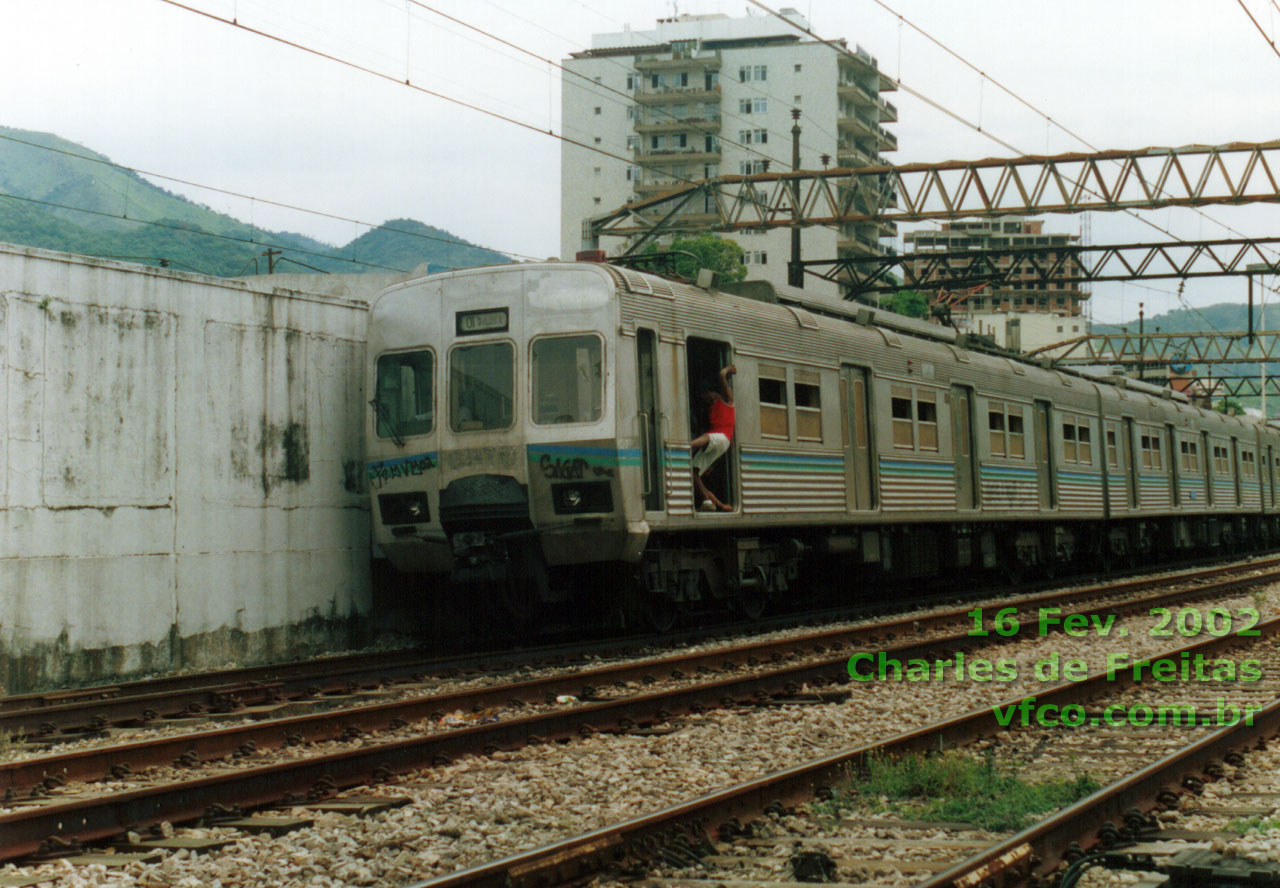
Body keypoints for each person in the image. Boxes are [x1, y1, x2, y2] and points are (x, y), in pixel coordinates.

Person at [691, 364, 736, 512]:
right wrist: (723, 506)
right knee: (694, 472)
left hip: (723, 438)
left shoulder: (726, 400)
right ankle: (706, 501)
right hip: (717, 441)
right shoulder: (711, 409)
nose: (704, 399)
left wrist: (726, 371)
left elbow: (721, 376)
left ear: (711, 393)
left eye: (705, 396)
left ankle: (687, 445)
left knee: (706, 437)